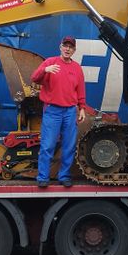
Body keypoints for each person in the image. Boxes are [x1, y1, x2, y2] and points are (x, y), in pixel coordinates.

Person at [30, 36, 86, 187]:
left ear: (74, 50)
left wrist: (82, 108)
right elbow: (34, 78)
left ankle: (64, 176)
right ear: (60, 47)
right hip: (52, 110)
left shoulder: (77, 68)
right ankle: (43, 178)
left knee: (69, 145)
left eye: (71, 47)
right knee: (48, 145)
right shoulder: (50, 62)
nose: (67, 49)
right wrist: (45, 69)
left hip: (70, 111)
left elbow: (80, 90)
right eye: (65, 46)